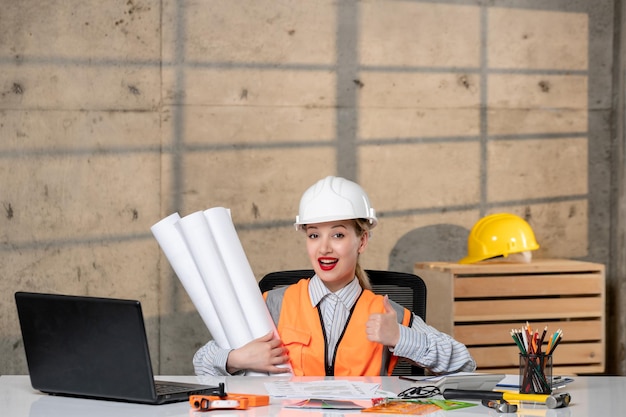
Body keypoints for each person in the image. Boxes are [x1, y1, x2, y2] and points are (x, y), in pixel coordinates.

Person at [193, 176, 476, 376]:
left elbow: (464, 363)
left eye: (338, 234)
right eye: (314, 234)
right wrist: (235, 358)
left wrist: (400, 337)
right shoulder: (272, 305)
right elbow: (202, 363)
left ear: (362, 241)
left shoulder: (386, 313)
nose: (324, 247)